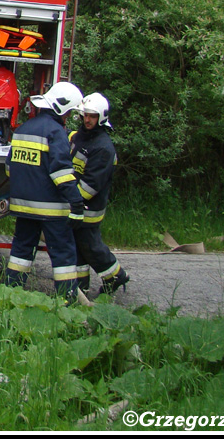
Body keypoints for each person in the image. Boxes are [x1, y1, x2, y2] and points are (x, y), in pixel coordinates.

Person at [3, 81, 85, 301]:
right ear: (61, 109)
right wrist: (76, 203)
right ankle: (66, 300)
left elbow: (10, 168)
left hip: (22, 206)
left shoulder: (22, 130)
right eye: (69, 113)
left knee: (20, 252)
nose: (69, 118)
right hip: (51, 210)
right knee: (63, 254)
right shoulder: (56, 132)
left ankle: (10, 293)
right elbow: (62, 174)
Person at [69, 92, 130, 296]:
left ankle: (115, 276)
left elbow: (90, 185)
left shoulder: (103, 147)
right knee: (78, 247)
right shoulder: (79, 137)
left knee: (90, 246)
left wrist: (69, 200)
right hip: (77, 204)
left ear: (101, 117)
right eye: (85, 115)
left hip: (89, 207)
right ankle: (80, 287)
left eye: (92, 116)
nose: (87, 119)